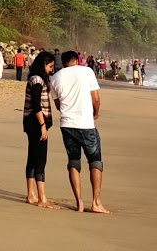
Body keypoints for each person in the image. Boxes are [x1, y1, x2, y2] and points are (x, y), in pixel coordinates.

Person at [49, 50, 107, 214]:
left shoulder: (55, 78)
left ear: (63, 61)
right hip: (85, 123)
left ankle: (79, 202)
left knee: (74, 161)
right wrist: (96, 112)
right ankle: (96, 202)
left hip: (67, 124)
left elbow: (58, 105)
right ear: (77, 60)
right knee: (95, 161)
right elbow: (95, 97)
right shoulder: (87, 71)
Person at [21, 51, 60, 209]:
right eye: (50, 66)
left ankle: (31, 194)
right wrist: (43, 126)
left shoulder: (35, 78)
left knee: (32, 157)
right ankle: (42, 198)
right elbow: (36, 105)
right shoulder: (37, 80)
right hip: (36, 123)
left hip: (31, 123)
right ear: (43, 64)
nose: (51, 70)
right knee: (40, 159)